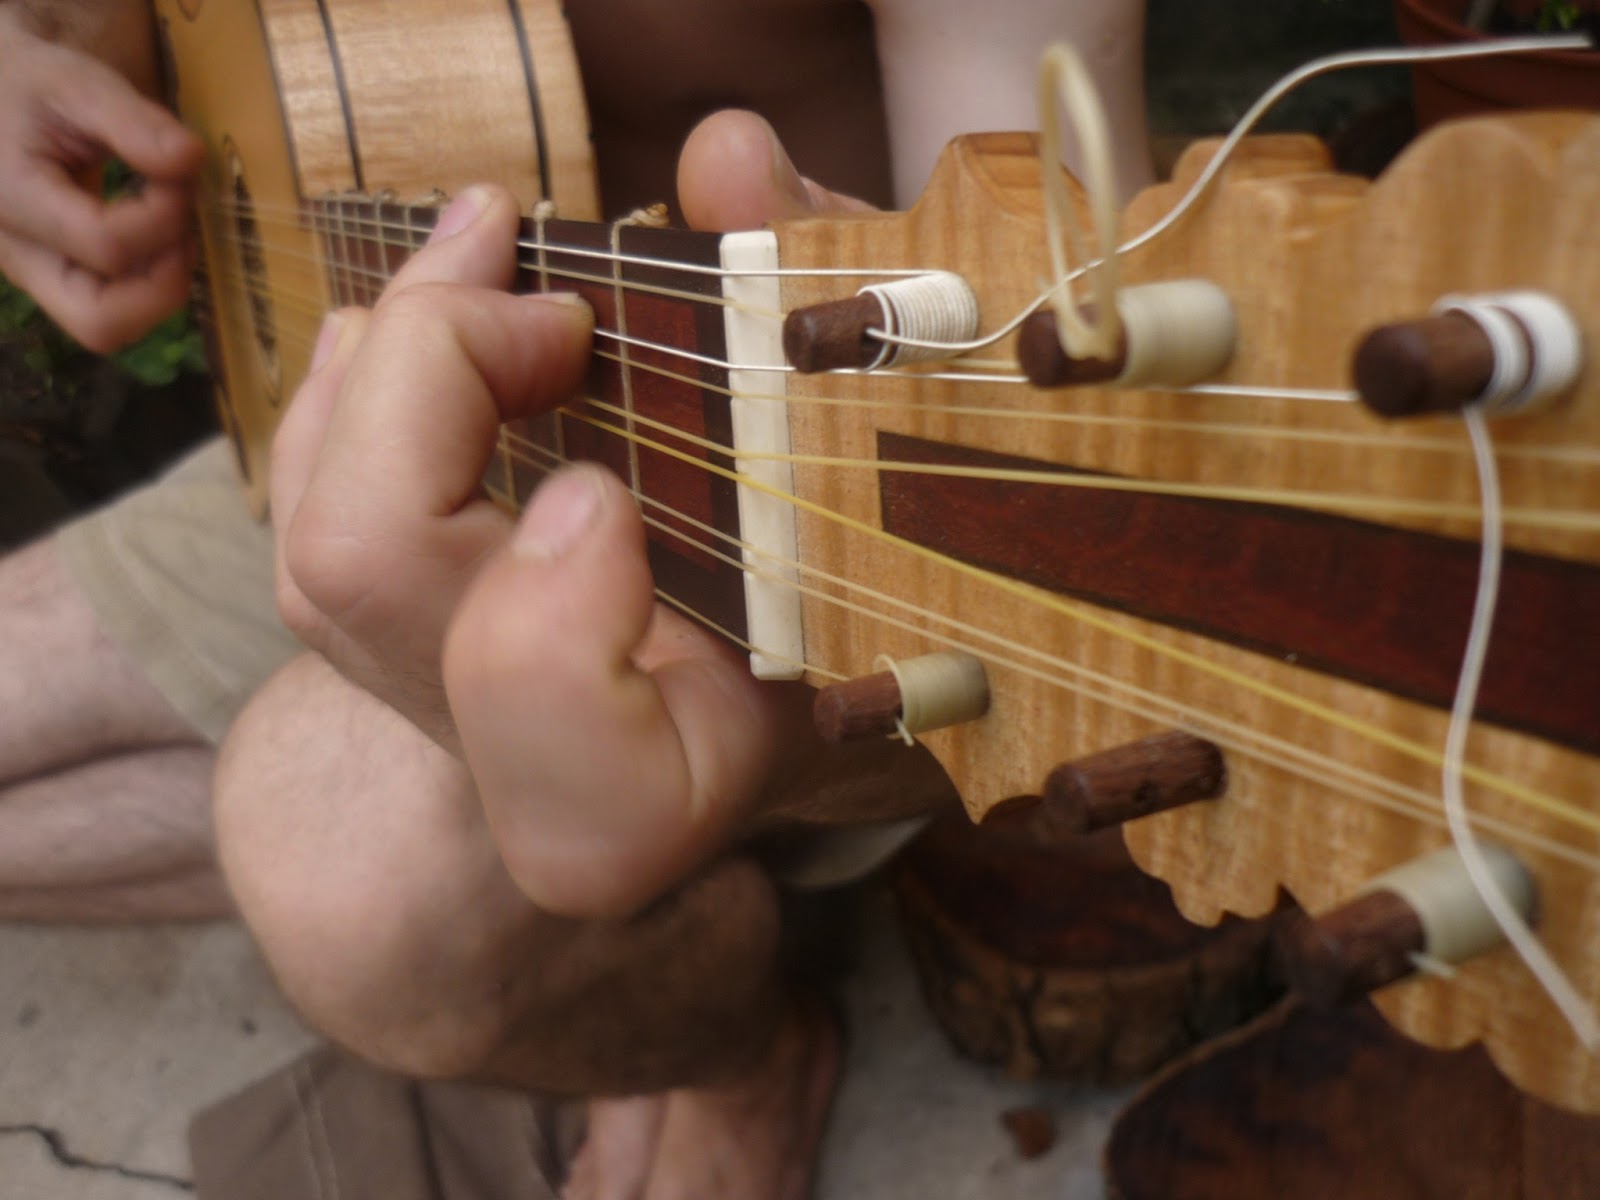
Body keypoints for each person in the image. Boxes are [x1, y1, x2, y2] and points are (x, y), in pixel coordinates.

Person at [0, 0, 1156, 1194]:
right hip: (335, 385)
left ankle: (722, 1045)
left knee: (346, 888)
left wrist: (773, 737)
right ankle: (576, 925)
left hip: (763, 519)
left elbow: (1058, 484)